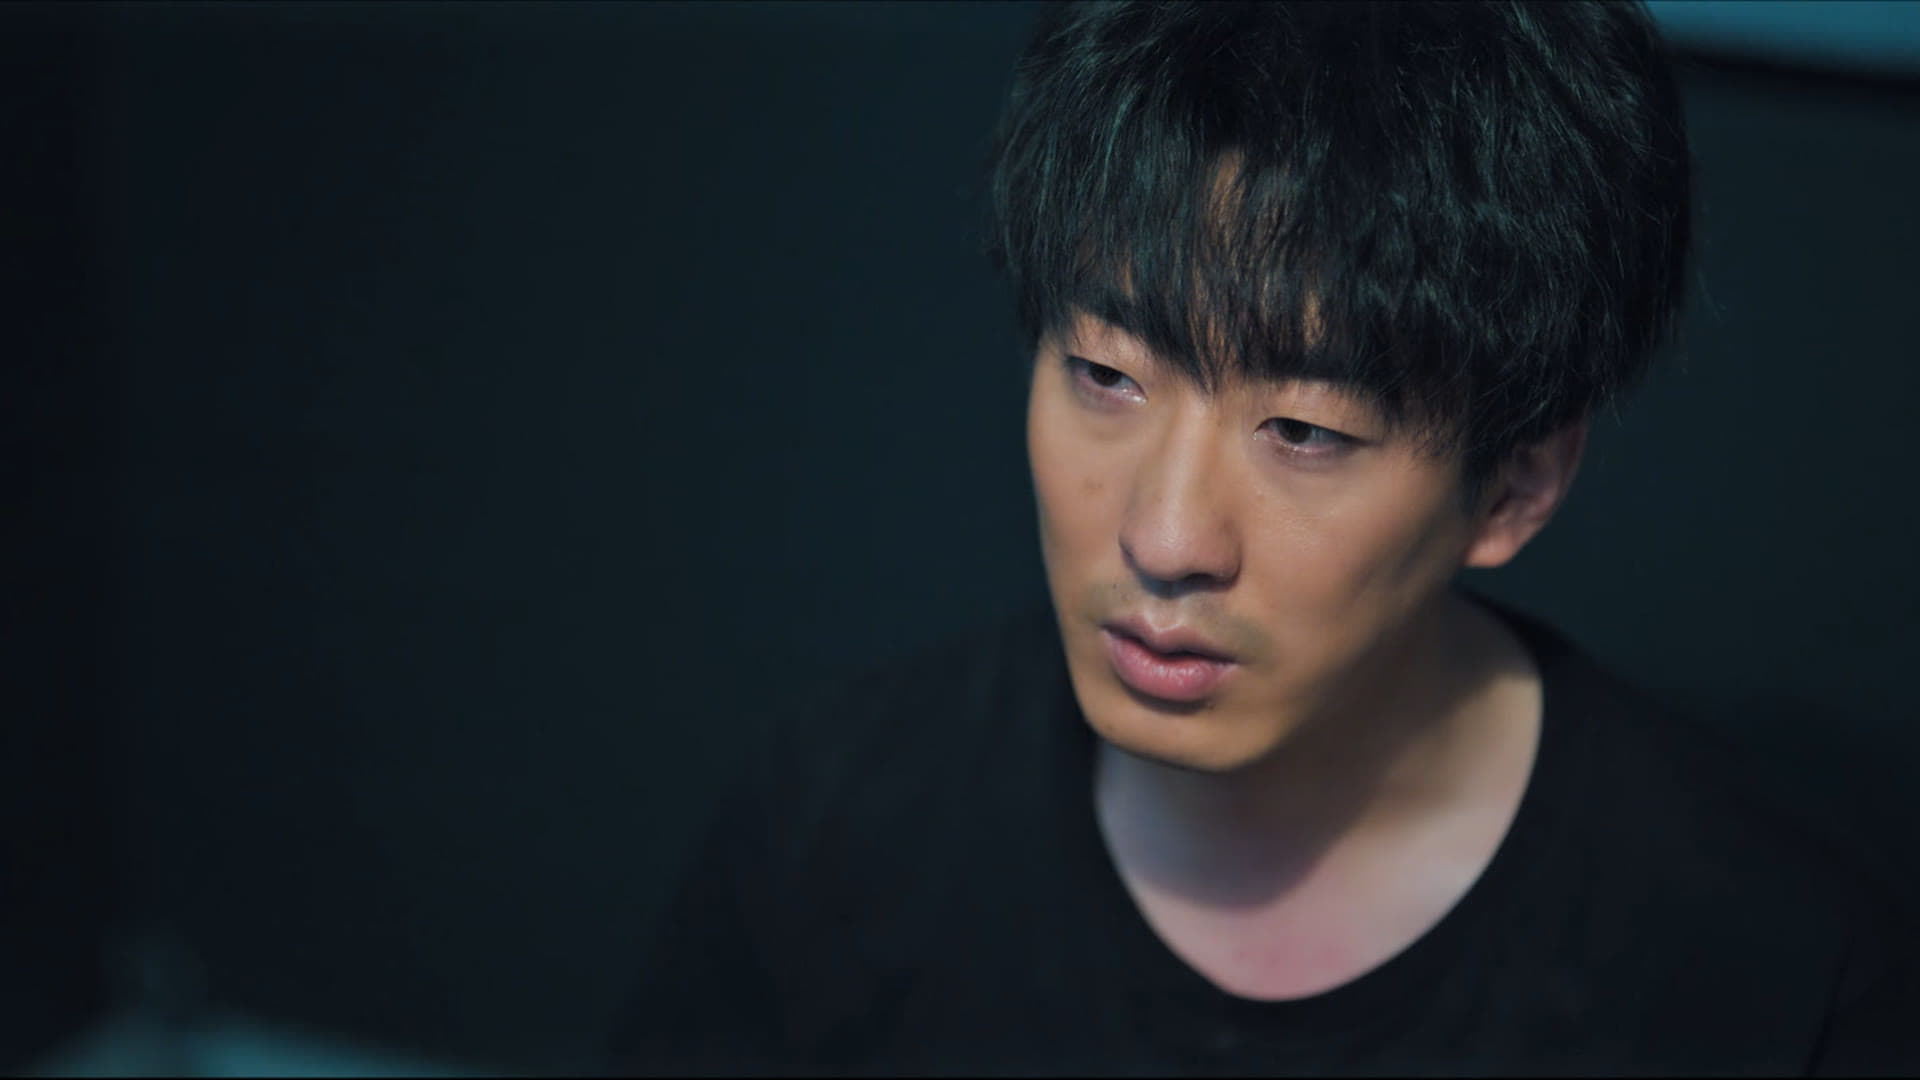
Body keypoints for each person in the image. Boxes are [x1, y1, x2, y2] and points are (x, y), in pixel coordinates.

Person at [605, 1, 1918, 1074]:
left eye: (1304, 430)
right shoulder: (836, 833)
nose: (1166, 535)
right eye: (1107, 374)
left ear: (1515, 488)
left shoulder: (1768, 971)